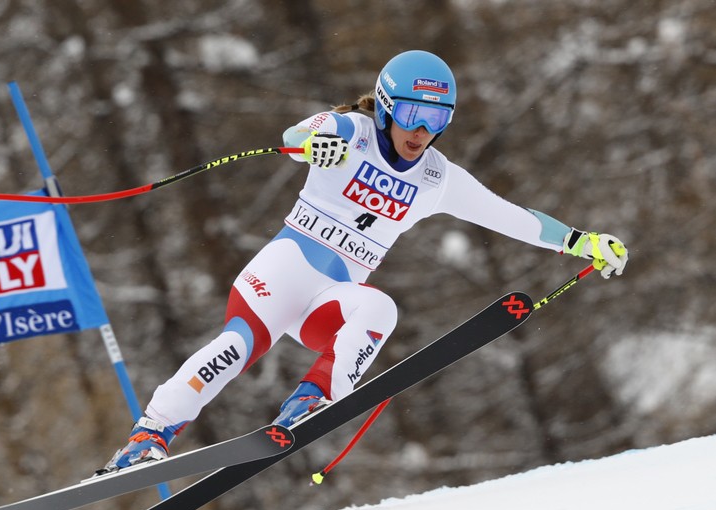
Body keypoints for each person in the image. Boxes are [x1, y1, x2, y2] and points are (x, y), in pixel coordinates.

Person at [99, 50, 628, 472]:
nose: (422, 131)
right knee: (235, 349)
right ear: (386, 105)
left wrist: (581, 242)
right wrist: (313, 144)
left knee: (379, 310)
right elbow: (296, 136)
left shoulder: (436, 178)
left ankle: (311, 399)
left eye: (437, 119)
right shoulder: (352, 131)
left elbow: (511, 216)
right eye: (414, 115)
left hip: (330, 299)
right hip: (282, 273)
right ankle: (149, 435)